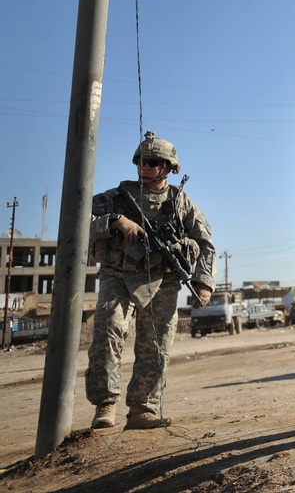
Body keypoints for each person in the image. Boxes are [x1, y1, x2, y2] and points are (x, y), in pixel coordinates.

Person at [87, 132, 215, 430]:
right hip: (118, 275)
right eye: (141, 161)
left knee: (156, 345)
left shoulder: (181, 203)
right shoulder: (115, 198)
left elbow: (205, 242)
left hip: (162, 279)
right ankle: (105, 404)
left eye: (153, 162)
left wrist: (203, 282)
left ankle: (142, 408)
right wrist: (114, 221)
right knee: (108, 331)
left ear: (169, 167)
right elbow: (76, 219)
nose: (145, 167)